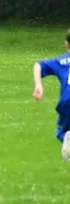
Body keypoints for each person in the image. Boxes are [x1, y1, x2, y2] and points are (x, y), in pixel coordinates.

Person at [32, 29, 70, 159]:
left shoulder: (63, 61)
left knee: (62, 133)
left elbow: (38, 65)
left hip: (67, 101)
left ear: (66, 44)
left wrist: (38, 85)